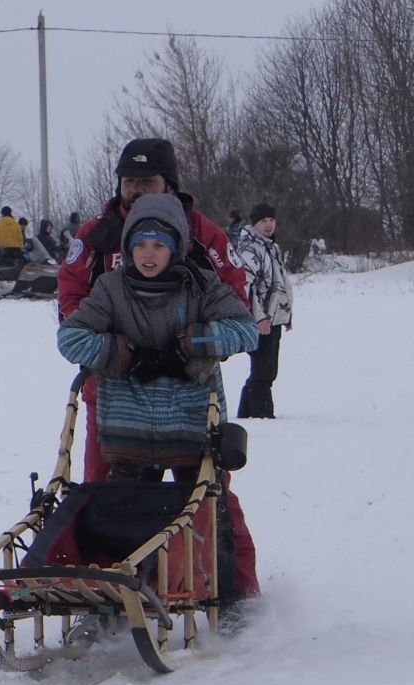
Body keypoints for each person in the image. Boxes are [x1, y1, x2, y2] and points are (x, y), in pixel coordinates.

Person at [57, 137, 257, 602]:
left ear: (169, 184)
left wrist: (197, 345)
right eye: (129, 181)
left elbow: (236, 303)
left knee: (209, 495)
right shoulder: (96, 238)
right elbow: (71, 303)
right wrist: (110, 349)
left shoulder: (204, 236)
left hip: (190, 398)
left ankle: (233, 587)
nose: (136, 190)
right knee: (107, 494)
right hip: (114, 393)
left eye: (146, 181)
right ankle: (110, 589)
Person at [58, 194, 257, 476]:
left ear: (175, 248)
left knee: (203, 514)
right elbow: (70, 338)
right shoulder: (111, 289)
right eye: (139, 244)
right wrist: (120, 353)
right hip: (128, 436)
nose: (147, 254)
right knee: (126, 517)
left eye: (159, 245)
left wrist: (195, 343)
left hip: (192, 433)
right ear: (128, 247)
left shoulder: (201, 285)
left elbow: (246, 331)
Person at [233, 202, 294, 418]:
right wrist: (258, 319)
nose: (268, 225)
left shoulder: (271, 247)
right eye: (263, 221)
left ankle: (247, 414)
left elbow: (279, 284)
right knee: (263, 371)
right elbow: (246, 287)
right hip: (261, 321)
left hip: (274, 318)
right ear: (255, 224)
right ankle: (262, 415)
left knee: (265, 370)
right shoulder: (251, 249)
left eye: (271, 220)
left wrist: (285, 314)